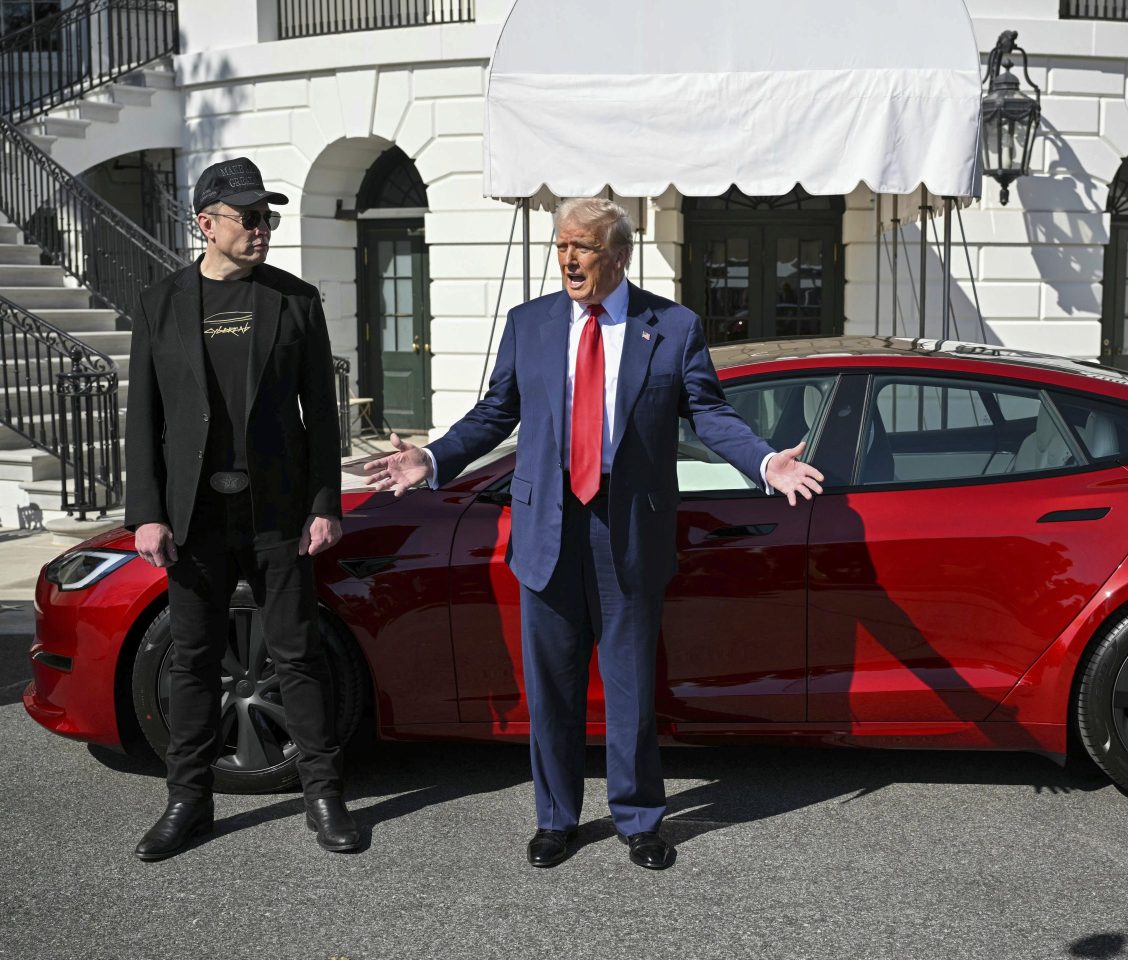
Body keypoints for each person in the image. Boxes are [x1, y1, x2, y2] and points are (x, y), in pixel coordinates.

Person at [364, 198, 823, 870]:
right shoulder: (532, 324)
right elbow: (495, 414)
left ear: (619, 255)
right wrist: (433, 458)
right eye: (560, 247)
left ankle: (640, 819)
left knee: (631, 685)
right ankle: (557, 819)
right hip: (549, 526)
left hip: (627, 528)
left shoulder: (671, 325)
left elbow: (709, 413)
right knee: (551, 687)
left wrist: (762, 460)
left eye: (582, 247)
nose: (568, 260)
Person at [125, 157, 355, 860]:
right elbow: (143, 419)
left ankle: (322, 795)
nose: (262, 229)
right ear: (207, 223)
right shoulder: (160, 304)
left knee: (299, 654)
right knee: (192, 659)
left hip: (279, 511)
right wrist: (147, 512)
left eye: (267, 217)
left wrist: (325, 502)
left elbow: (322, 412)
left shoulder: (295, 301)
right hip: (194, 519)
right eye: (249, 217)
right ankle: (188, 800)